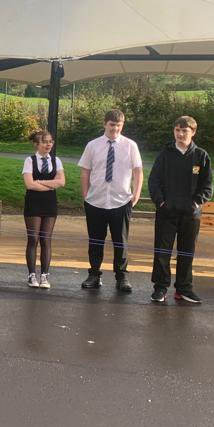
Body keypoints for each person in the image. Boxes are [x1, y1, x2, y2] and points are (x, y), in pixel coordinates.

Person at [148, 115, 214, 305]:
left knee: (186, 252)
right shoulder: (165, 154)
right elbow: (154, 181)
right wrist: (161, 202)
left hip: (190, 215)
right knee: (162, 251)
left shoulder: (201, 156)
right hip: (166, 212)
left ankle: (184, 289)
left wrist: (195, 204)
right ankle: (160, 288)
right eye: (177, 130)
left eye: (184, 130)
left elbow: (207, 186)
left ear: (193, 132)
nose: (180, 134)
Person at [77, 109, 143, 292]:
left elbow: (138, 171)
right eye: (112, 125)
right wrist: (85, 195)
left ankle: (121, 277)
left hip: (120, 201)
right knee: (95, 241)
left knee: (120, 241)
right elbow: (85, 171)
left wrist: (136, 194)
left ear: (123, 125)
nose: (115, 129)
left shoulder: (130, 146)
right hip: (95, 201)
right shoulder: (93, 145)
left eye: (119, 125)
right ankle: (94, 274)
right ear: (105, 124)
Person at [22, 129, 65, 289]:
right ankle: (32, 274)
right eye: (45, 142)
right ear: (37, 144)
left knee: (46, 239)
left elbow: (61, 182)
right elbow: (29, 184)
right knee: (33, 239)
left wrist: (39, 182)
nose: (49, 144)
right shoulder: (29, 160)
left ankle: (45, 275)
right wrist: (49, 185)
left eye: (50, 141)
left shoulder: (56, 160)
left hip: (50, 204)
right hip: (33, 203)